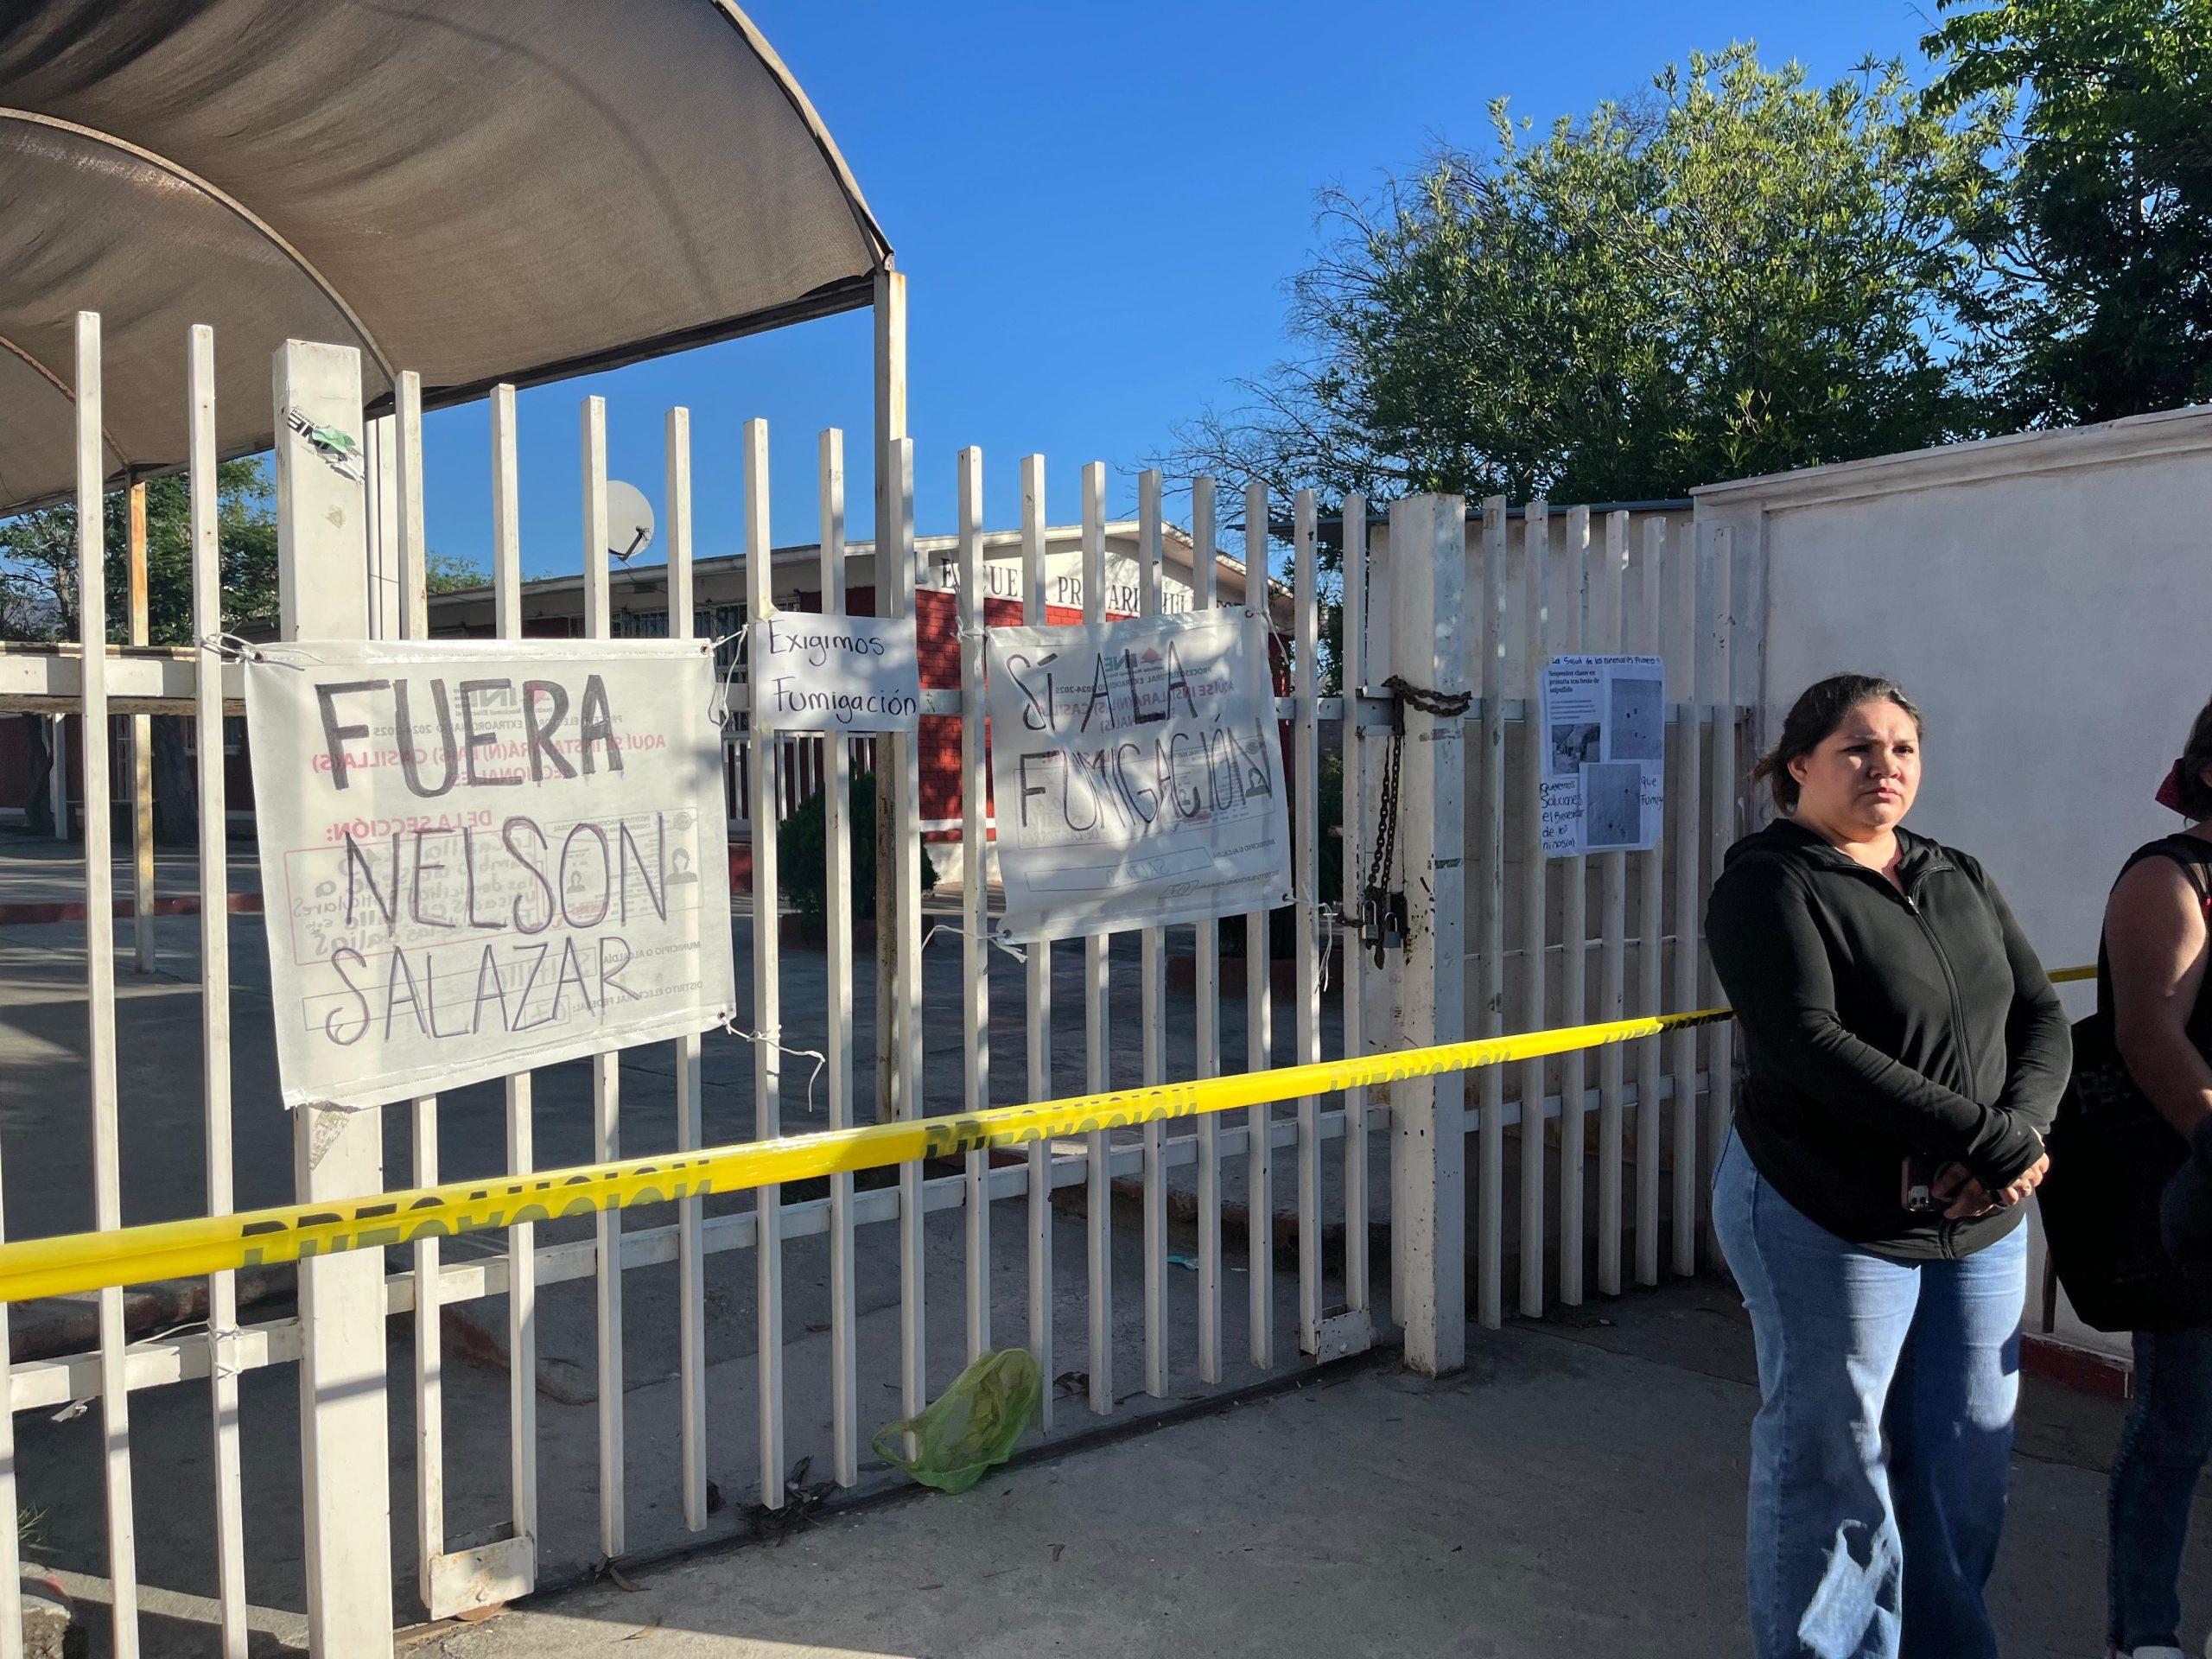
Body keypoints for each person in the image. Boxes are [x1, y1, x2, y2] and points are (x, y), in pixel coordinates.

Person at [1706, 672, 2070, 1659]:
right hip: (1829, 1214)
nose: (1885, 767)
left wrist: (2018, 1135)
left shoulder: (1955, 872)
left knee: (1963, 1459)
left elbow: (2039, 1015)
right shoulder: (1768, 881)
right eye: (1858, 749)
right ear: (1800, 768)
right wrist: (1988, 1139)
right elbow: (1804, 1044)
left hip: (1980, 1214)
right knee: (1835, 1461)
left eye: (1902, 749)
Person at [2099, 697, 2212, 1659]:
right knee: (2178, 1427)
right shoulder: (2169, 878)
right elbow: (2150, 1038)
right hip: (2197, 1195)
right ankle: (2144, 1634)